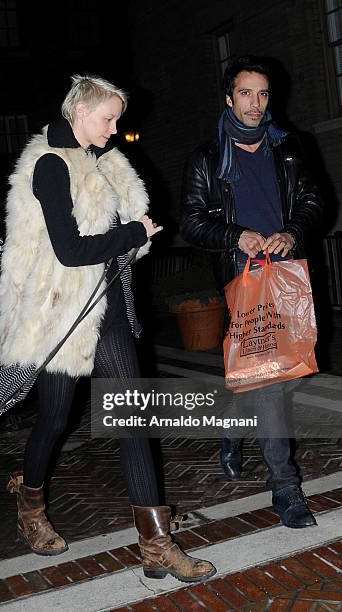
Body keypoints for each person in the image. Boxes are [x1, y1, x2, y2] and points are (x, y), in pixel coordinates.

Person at [0, 74, 216, 582]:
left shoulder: (102, 161)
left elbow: (117, 235)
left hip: (108, 308)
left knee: (134, 421)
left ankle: (157, 546)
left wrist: (135, 235)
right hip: (63, 314)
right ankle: (30, 504)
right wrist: (132, 233)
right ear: (78, 111)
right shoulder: (51, 166)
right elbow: (70, 251)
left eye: (118, 118)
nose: (116, 129)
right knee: (54, 419)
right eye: (108, 118)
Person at [181, 56, 323, 528]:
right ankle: (286, 490)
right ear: (229, 97)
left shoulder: (290, 148)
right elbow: (193, 222)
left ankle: (231, 423)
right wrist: (234, 235)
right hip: (243, 279)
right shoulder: (206, 159)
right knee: (268, 384)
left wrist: (293, 232)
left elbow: (313, 201)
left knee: (294, 370)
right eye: (246, 93)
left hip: (287, 274)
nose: (255, 104)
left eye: (262, 94)